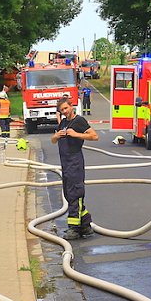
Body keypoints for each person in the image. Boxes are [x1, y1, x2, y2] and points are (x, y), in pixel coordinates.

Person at [52, 97, 99, 239]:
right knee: (68, 194)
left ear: (71, 106)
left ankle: (74, 228)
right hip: (65, 163)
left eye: (66, 108)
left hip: (75, 162)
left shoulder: (79, 121)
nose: (64, 112)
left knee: (75, 194)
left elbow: (94, 136)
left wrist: (76, 134)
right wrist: (56, 135)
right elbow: (53, 141)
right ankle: (85, 225)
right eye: (62, 110)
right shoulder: (63, 123)